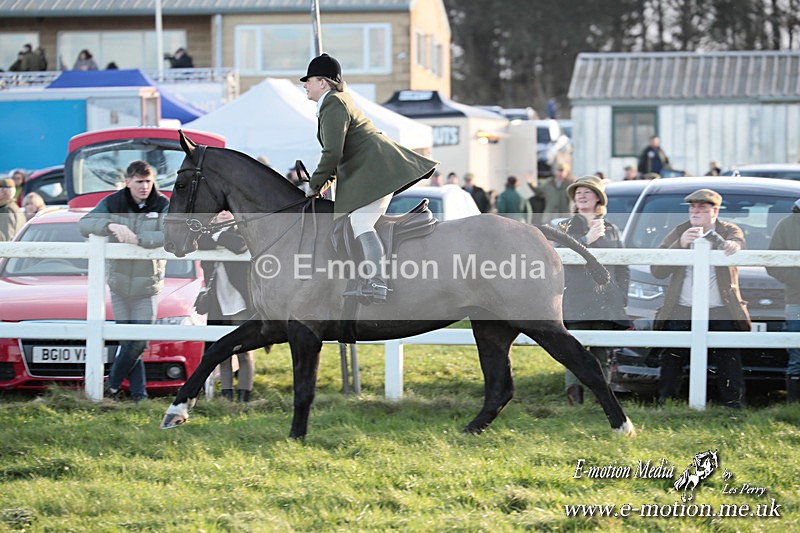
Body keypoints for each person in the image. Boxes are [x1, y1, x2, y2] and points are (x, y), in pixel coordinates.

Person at [302, 53, 437, 303]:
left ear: (323, 82)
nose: (305, 85)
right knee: (356, 221)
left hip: (378, 171)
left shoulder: (333, 103)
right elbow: (338, 157)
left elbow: (332, 153)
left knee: (361, 222)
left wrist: (313, 185)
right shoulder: (336, 101)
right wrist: (322, 185)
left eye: (308, 80)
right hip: (371, 171)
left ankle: (377, 282)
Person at [78, 161, 169, 401]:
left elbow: (170, 233)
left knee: (138, 342)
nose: (145, 186)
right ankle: (139, 395)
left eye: (148, 181)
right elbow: (84, 223)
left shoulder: (163, 204)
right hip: (118, 284)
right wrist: (110, 225)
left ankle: (111, 386)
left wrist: (140, 239)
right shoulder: (112, 202)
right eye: (139, 181)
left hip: (148, 286)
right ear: (127, 182)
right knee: (129, 342)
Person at [651, 188, 750, 409]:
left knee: (729, 359)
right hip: (682, 308)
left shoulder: (728, 229)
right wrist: (680, 245)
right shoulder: (679, 231)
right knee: (672, 358)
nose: (695, 212)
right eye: (692, 207)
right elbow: (657, 270)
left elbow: (738, 241)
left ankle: (734, 408)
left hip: (721, 309)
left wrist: (734, 246)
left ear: (715, 211)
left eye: (702, 208)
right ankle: (666, 406)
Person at [559, 175, 629, 404]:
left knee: (603, 352)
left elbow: (622, 265)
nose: (581, 196)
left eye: (587, 192)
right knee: (575, 350)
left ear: (598, 198)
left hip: (606, 302)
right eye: (578, 192)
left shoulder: (612, 229)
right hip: (577, 299)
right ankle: (575, 399)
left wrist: (622, 295)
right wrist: (585, 239)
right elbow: (560, 255)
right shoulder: (566, 226)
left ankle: (603, 398)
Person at [196, 211, 256, 402]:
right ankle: (226, 396)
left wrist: (218, 236)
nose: (223, 213)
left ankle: (245, 396)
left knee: (244, 349)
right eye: (219, 210)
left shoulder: (243, 230)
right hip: (217, 302)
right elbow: (201, 243)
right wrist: (218, 236)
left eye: (227, 209)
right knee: (222, 350)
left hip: (240, 302)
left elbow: (240, 245)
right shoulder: (206, 233)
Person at [766, 198, 800, 402]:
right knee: (797, 356)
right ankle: (794, 405)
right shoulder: (786, 225)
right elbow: (773, 263)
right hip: (797, 299)